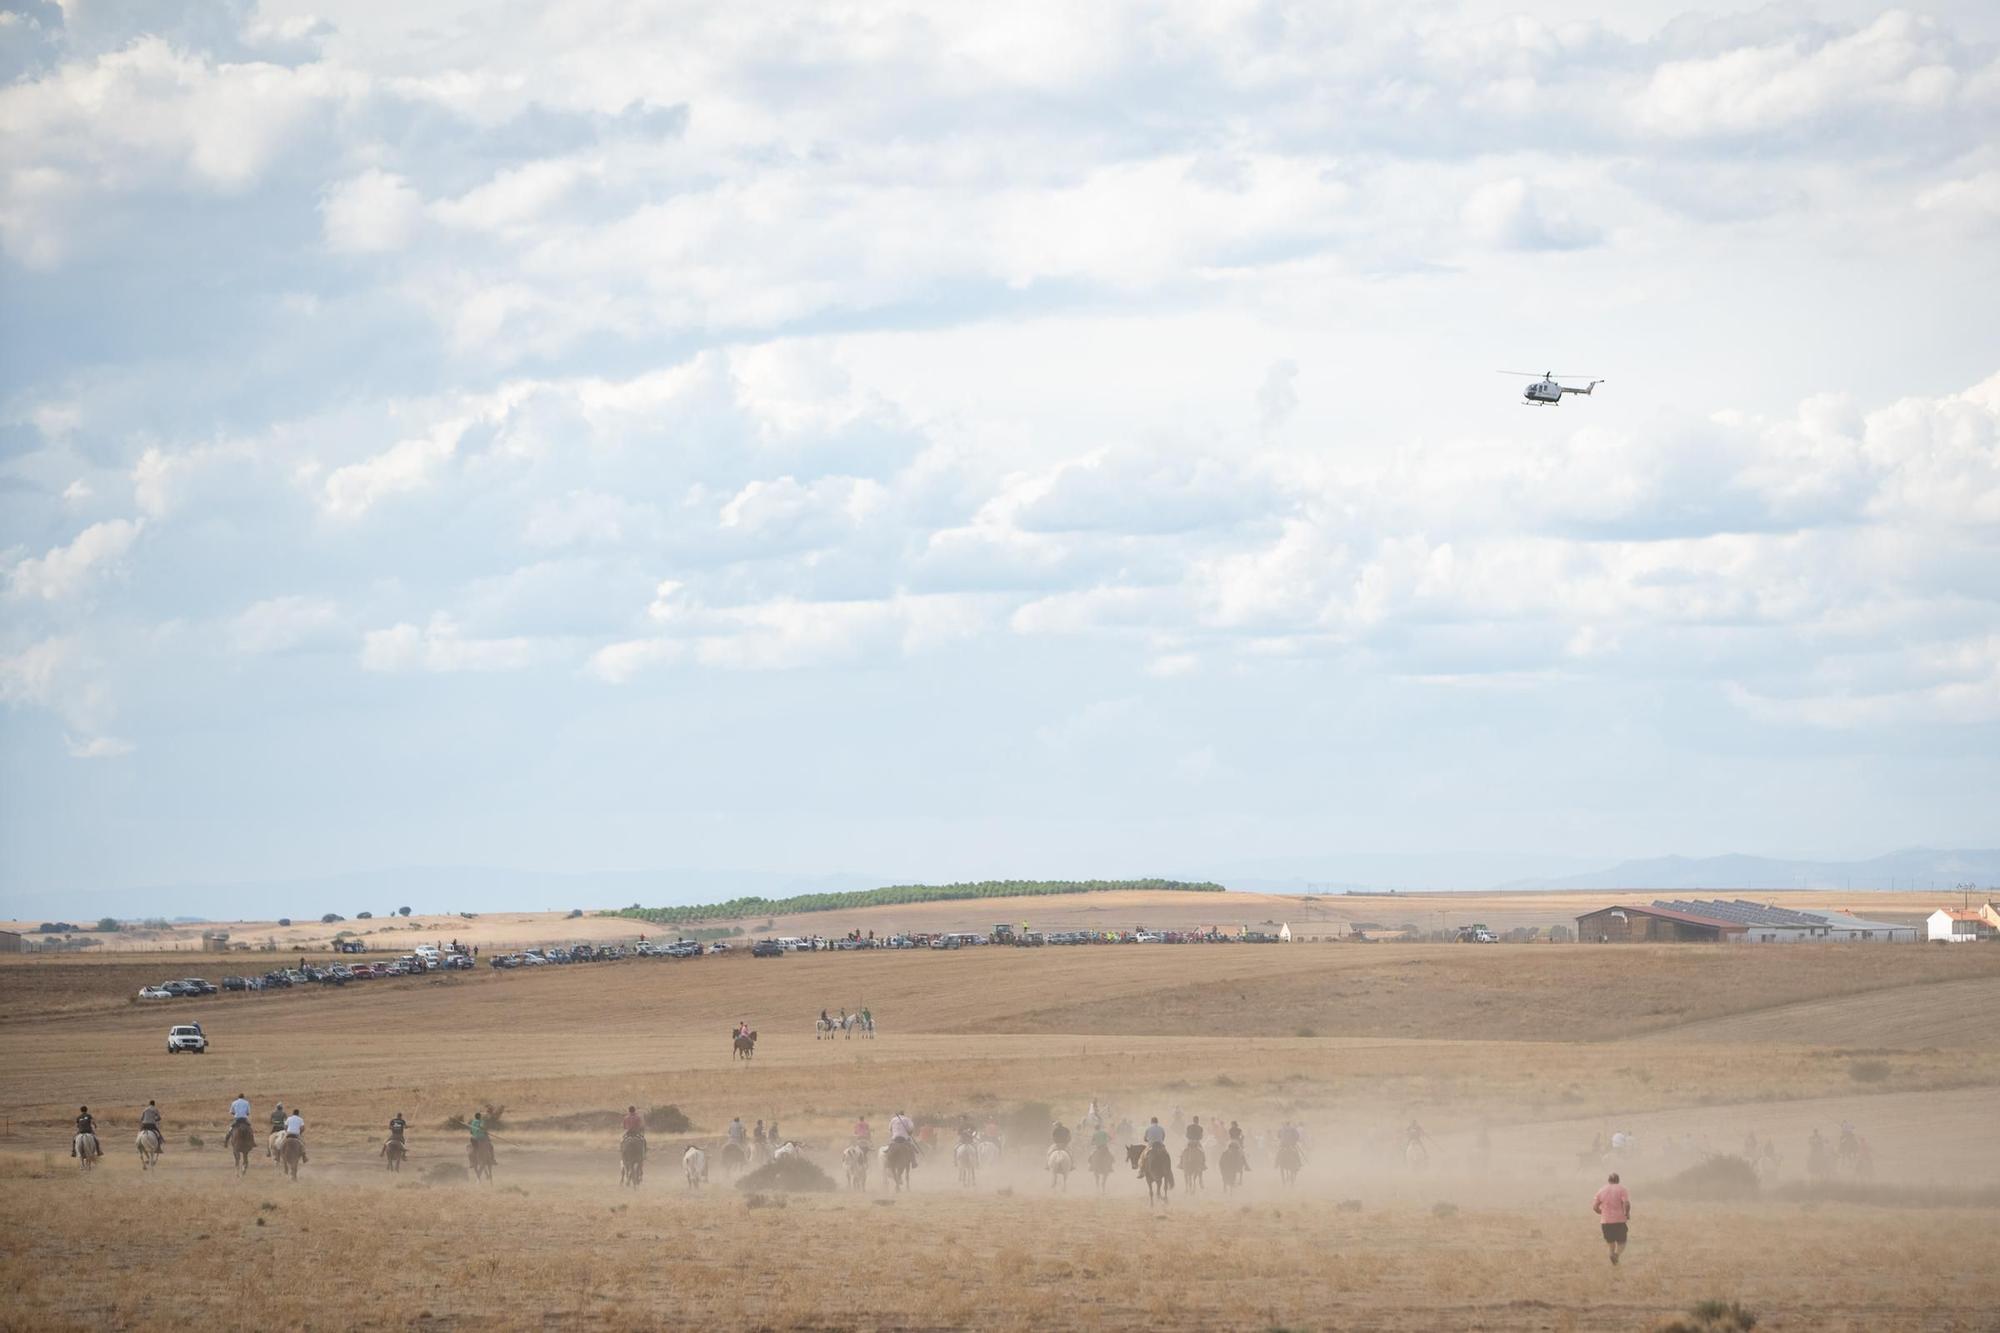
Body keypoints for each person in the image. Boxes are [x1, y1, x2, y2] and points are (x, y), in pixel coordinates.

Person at [1593, 1172, 1631, 1266]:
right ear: (1618, 1180)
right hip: (1619, 1220)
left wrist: (1601, 1212)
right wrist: (1627, 1213)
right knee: (1622, 1241)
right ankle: (1616, 1255)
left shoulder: (1601, 1190)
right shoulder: (1622, 1189)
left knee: (1611, 1242)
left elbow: (1595, 1207)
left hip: (1606, 1221)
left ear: (1609, 1180)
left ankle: (1611, 1254)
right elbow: (1626, 1203)